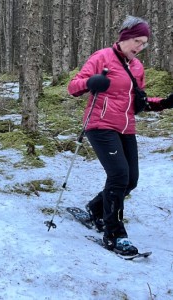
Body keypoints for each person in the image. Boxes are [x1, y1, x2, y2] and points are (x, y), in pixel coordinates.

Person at [67, 15, 173, 256]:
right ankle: (114, 234)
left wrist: (165, 103)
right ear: (124, 38)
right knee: (118, 175)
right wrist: (92, 81)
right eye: (137, 40)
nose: (140, 47)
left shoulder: (137, 67)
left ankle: (96, 210)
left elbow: (140, 101)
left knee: (131, 180)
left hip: (127, 126)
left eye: (144, 43)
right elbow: (74, 86)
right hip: (100, 124)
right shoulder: (101, 57)